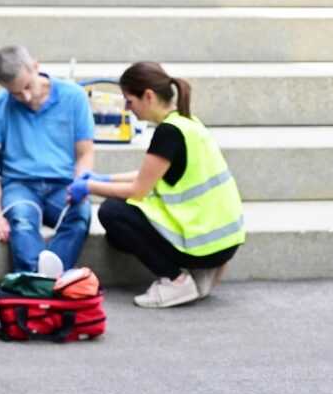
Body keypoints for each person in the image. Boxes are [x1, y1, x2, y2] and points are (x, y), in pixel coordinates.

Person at [68, 61, 245, 309]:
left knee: (113, 213)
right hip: (225, 242)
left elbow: (138, 191)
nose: (128, 109)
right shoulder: (188, 123)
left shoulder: (168, 133)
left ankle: (176, 281)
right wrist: (104, 178)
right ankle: (202, 272)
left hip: (204, 245)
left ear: (148, 96)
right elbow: (148, 175)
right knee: (118, 229)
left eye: (130, 101)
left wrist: (88, 188)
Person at [0, 46, 96, 276]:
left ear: (36, 66)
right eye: (15, 93)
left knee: (81, 214)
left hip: (62, 184)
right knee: (22, 221)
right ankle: (39, 280)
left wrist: (80, 185)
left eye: (27, 87)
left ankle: (41, 278)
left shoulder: (73, 96)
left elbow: (85, 154)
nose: (26, 97)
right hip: (19, 186)